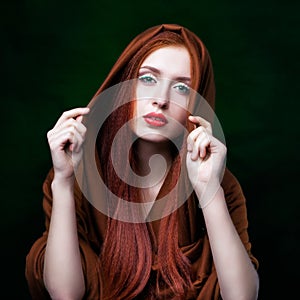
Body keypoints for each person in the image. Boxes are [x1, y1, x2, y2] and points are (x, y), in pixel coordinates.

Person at [25, 24, 259, 299]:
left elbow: (242, 296)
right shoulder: (79, 171)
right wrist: (63, 183)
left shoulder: (221, 184)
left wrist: (209, 191)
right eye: (148, 79)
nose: (160, 100)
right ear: (124, 87)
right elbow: (65, 293)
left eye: (182, 87)